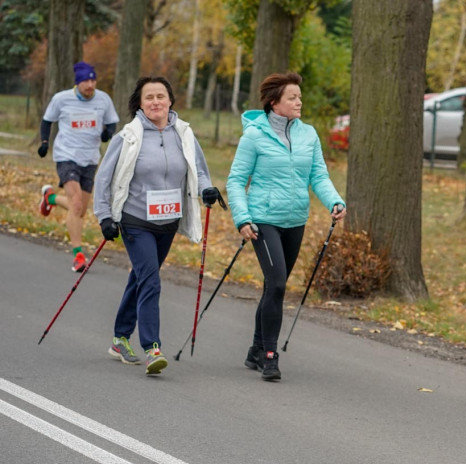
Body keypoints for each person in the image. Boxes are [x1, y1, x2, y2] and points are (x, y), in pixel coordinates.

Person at [93, 77, 221, 376]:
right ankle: (152, 348)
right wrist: (104, 217)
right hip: (136, 221)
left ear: (170, 100)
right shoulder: (128, 137)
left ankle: (119, 338)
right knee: (151, 281)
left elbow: (198, 171)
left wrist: (207, 190)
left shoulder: (184, 134)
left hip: (169, 221)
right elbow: (103, 179)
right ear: (140, 103)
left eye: (160, 96)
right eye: (148, 97)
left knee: (140, 278)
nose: (155, 102)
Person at [226, 72, 346, 382]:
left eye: (299, 96)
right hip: (263, 220)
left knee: (272, 287)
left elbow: (318, 176)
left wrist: (334, 201)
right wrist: (243, 218)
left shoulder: (309, 134)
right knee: (277, 283)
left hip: (296, 221)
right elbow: (237, 181)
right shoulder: (254, 135)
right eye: (292, 97)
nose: (299, 101)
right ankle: (269, 355)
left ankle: (254, 348)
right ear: (274, 103)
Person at [38, 61, 119, 272]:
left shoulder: (103, 99)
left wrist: (106, 133)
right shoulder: (62, 99)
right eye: (86, 81)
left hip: (90, 159)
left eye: (93, 80)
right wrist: (45, 143)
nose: (91, 85)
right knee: (75, 204)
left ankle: (50, 198)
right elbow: (47, 121)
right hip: (66, 155)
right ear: (78, 83)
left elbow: (112, 122)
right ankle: (78, 255)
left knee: (81, 210)